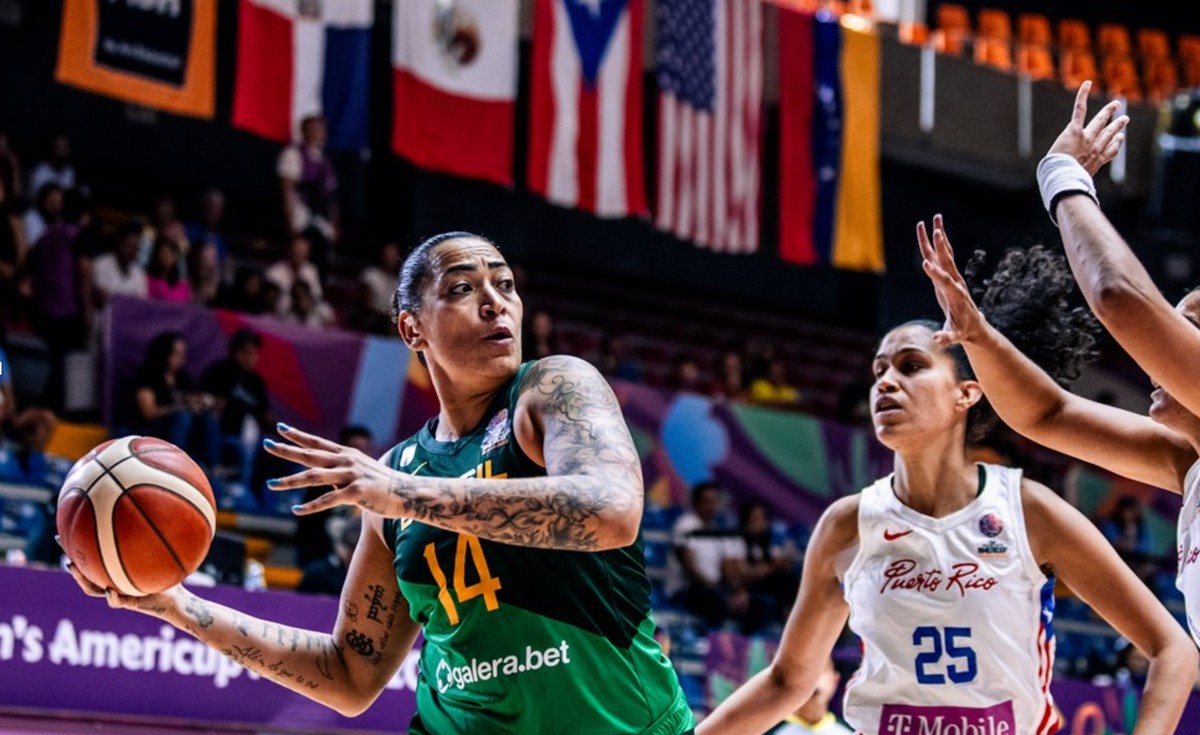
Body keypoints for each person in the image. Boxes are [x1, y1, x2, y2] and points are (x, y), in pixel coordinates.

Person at [67, 232, 694, 735]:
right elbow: (349, 675)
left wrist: (396, 493)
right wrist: (178, 606)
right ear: (411, 329)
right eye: (462, 288)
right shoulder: (398, 473)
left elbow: (610, 509)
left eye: (504, 285)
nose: (495, 301)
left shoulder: (551, 388)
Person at [697, 245, 1197, 734]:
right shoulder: (848, 525)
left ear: (967, 393)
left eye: (911, 366)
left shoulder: (1027, 511)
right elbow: (787, 680)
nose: (886, 382)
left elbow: (1172, 649)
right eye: (879, 371)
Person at [919, 81, 1200, 647]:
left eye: (1187, 328)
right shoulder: (1186, 464)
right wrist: (977, 335)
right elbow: (1044, 414)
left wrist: (1063, 178)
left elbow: (1119, 296)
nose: (1160, 353)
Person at [278, 115, 339, 269]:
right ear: (305, 131)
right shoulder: (293, 154)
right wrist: (290, 221)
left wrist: (335, 223)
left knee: (321, 263)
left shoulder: (326, 162)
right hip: (301, 217)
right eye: (314, 128)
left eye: (321, 129)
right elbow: (287, 189)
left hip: (321, 221)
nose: (318, 132)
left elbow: (330, 196)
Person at [768, 658, 851, 735]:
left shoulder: (852, 731)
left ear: (834, 680)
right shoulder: (763, 729)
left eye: (821, 670)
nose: (813, 679)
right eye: (804, 671)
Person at [297, 514, 362, 597]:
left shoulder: (367, 574)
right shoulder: (318, 573)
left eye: (356, 551)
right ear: (341, 546)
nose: (353, 555)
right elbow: (300, 601)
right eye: (350, 549)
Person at [91, 220, 148, 307]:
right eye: (129, 246)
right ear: (118, 243)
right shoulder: (101, 264)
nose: (132, 251)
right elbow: (103, 299)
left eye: (135, 248)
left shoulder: (139, 274)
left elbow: (140, 304)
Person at [265, 234, 323, 316]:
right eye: (297, 251)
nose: (300, 255)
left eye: (304, 252)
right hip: (281, 314)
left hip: (305, 314)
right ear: (290, 251)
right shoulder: (274, 272)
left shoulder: (311, 270)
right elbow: (272, 302)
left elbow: (317, 295)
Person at [145, 236, 191, 303]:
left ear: (175, 258)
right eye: (162, 254)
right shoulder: (148, 281)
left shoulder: (183, 287)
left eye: (168, 255)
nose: (164, 259)